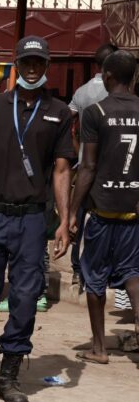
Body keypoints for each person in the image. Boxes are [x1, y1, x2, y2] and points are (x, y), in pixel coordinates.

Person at [0, 36, 75, 402]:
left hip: (31, 220)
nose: (32, 69)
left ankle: (8, 376)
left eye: (39, 62)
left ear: (47, 65)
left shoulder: (60, 112)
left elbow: (61, 169)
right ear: (17, 66)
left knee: (25, 298)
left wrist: (64, 219)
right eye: (26, 62)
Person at [69, 50, 139, 363]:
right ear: (134, 77)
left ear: (107, 77)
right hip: (134, 211)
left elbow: (87, 167)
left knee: (94, 276)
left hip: (102, 210)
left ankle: (99, 348)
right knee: (134, 275)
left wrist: (72, 211)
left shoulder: (95, 112)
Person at [69, 43, 119, 287]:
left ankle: (77, 267)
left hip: (84, 165)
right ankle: (105, 269)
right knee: (108, 219)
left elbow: (68, 122)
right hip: (110, 166)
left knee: (79, 216)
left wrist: (75, 150)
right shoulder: (117, 93)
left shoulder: (81, 92)